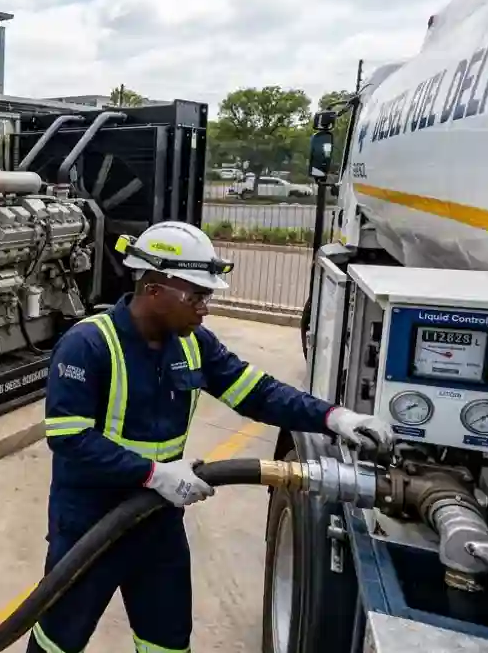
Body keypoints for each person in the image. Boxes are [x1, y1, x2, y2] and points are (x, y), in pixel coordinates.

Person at [27, 221, 394, 653]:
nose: (205, 307)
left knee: (166, 640)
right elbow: (69, 438)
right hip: (89, 522)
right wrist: (153, 474)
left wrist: (334, 417)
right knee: (58, 639)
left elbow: (257, 392)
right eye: (197, 295)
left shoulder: (193, 343)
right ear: (154, 289)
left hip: (156, 522)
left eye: (209, 296)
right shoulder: (88, 345)